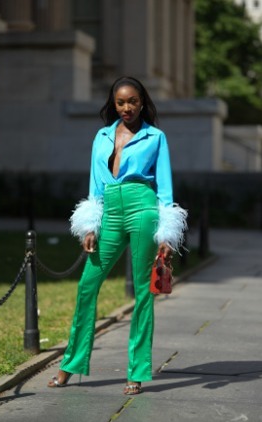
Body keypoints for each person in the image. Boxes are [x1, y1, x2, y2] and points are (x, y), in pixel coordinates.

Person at [47, 76, 187, 395]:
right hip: (108, 211)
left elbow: (165, 188)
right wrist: (89, 226)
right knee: (86, 286)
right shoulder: (101, 136)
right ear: (113, 103)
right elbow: (94, 185)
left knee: (142, 292)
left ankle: (136, 371)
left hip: (144, 209)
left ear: (142, 102)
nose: (127, 107)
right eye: (121, 102)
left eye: (133, 101)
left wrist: (166, 232)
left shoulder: (156, 137)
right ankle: (71, 364)